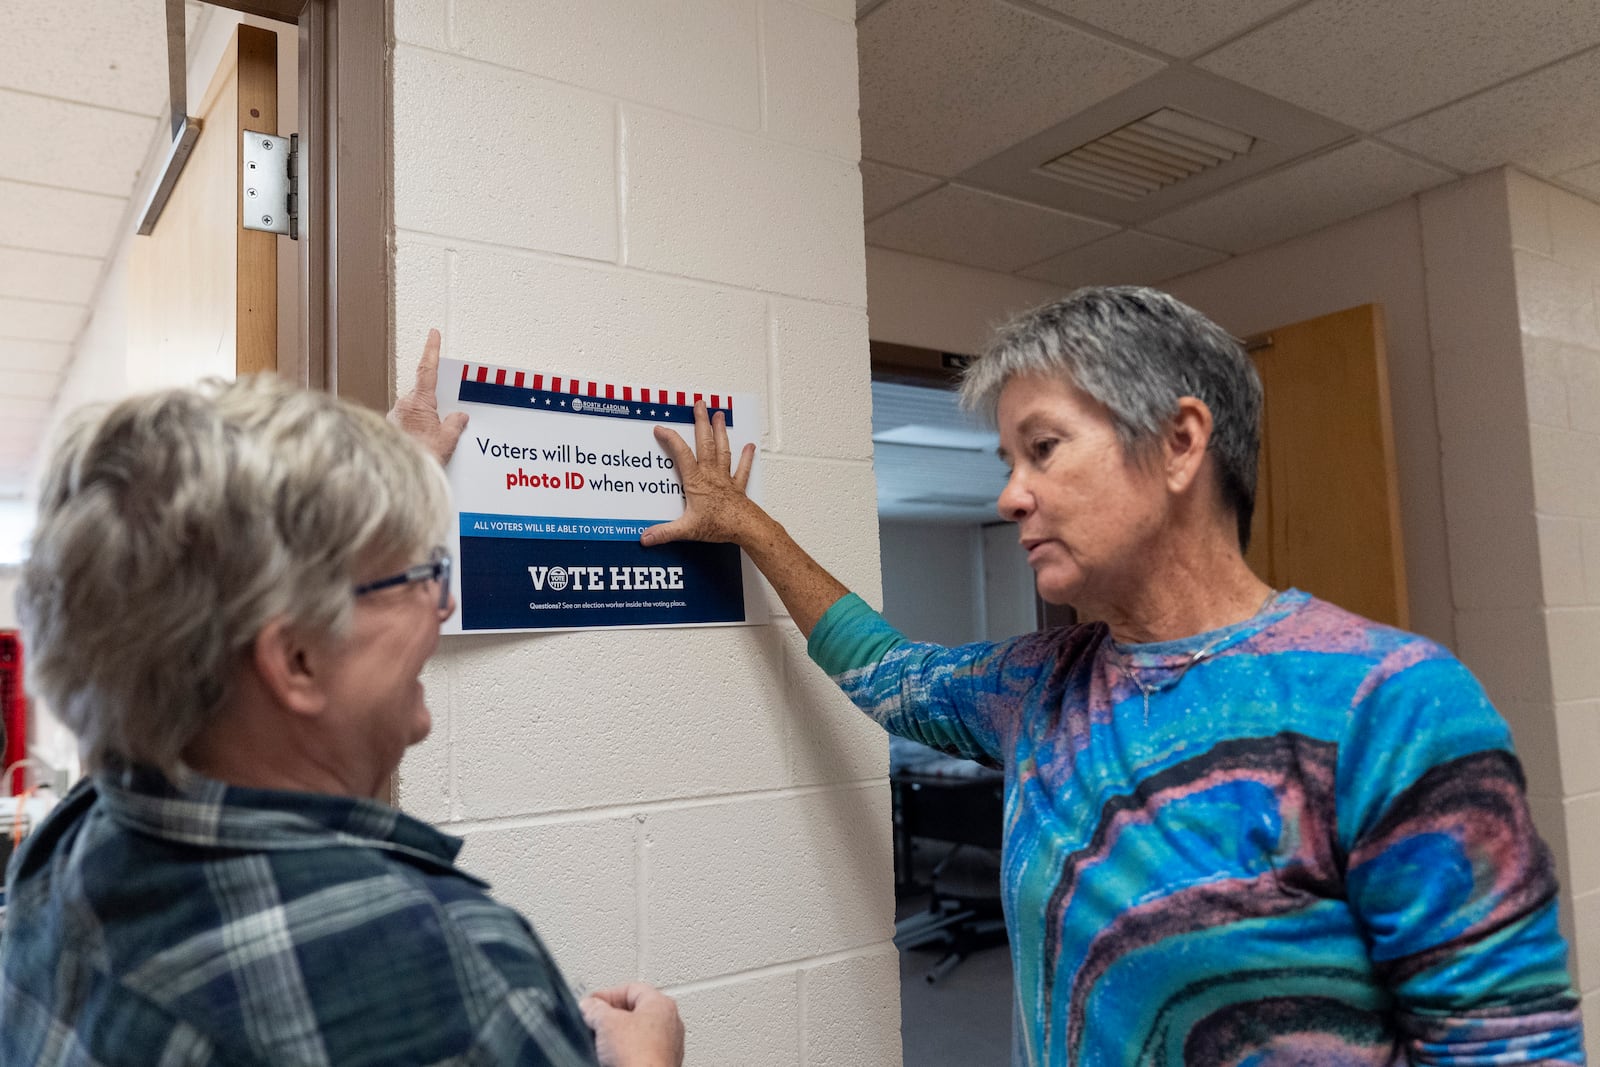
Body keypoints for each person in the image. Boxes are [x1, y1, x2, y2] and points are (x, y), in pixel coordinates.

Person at [640, 287, 1587, 1065]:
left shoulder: (1393, 704)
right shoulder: (1039, 686)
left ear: (1180, 443)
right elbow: (885, 669)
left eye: (1042, 449)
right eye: (1008, 459)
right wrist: (750, 528)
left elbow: (1507, 1051)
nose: (1011, 494)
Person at [1, 341, 684, 1067]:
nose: (445, 600)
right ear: (296, 659)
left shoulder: (62, 851)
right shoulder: (449, 980)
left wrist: (377, 500)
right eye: (421, 576)